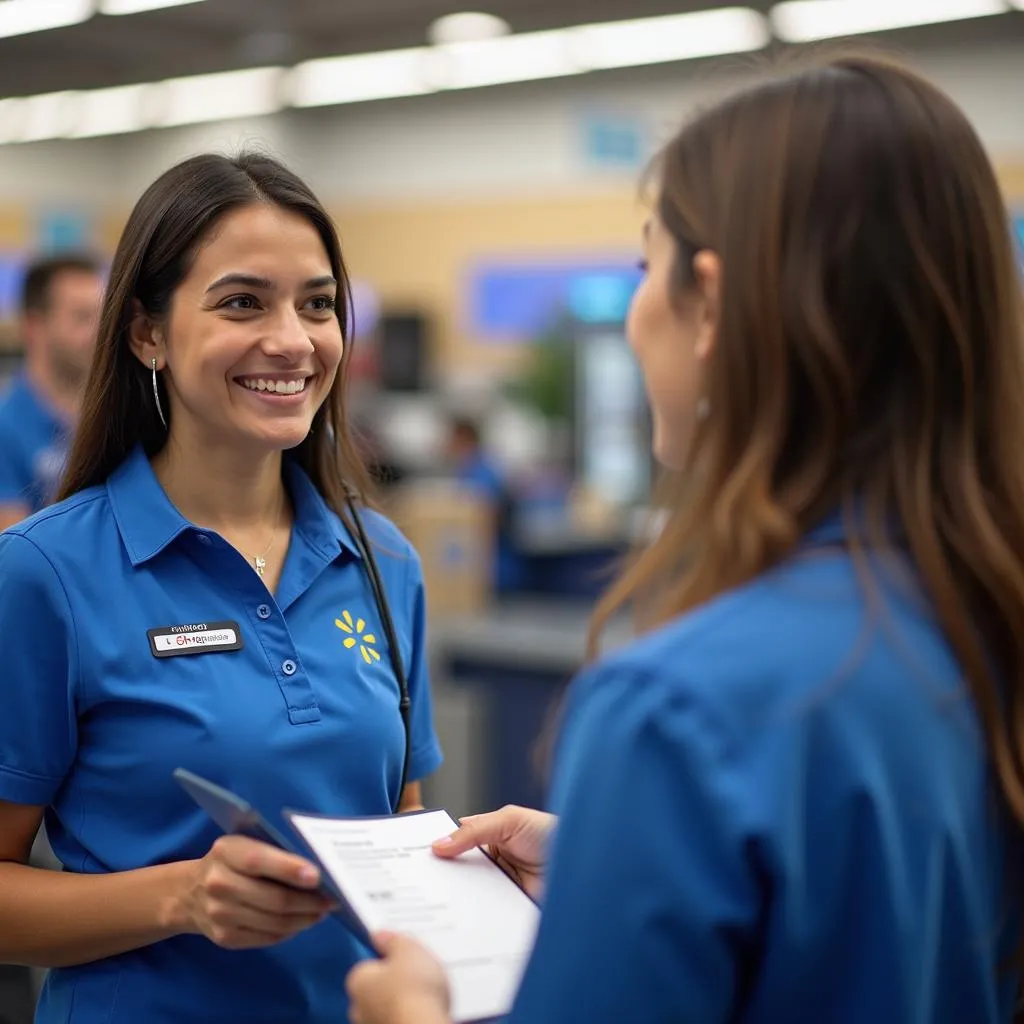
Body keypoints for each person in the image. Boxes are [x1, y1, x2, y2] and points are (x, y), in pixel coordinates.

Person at [345, 53, 1024, 1024]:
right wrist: (622, 857)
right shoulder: (979, 620)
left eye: (642, 265)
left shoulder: (676, 709)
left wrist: (408, 1014)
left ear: (706, 302)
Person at [0, 152, 443, 1024]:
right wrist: (184, 898)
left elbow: (400, 831)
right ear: (146, 333)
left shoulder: (385, 562)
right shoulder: (45, 574)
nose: (292, 339)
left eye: (318, 304)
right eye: (243, 302)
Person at [0, 253, 103, 529]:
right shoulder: (6, 428)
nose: (100, 333)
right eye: (82, 318)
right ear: (34, 326)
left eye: (102, 317)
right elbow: (11, 556)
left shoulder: (110, 418)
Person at [445, 415, 520, 592]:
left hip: (493, 568)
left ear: (464, 439)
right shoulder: (468, 469)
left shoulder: (481, 470)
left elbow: (487, 515)